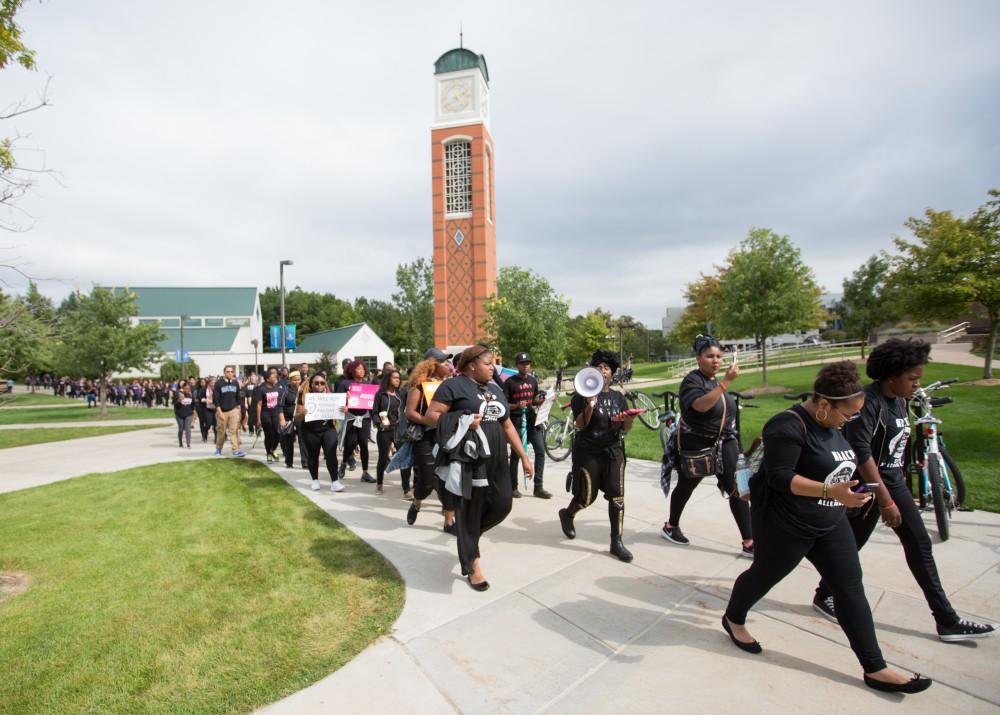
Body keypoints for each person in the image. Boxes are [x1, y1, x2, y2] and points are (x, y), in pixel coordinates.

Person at [723, 361, 931, 694]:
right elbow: (780, 476)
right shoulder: (786, 426)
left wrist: (855, 493)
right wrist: (829, 491)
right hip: (786, 524)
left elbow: (841, 464)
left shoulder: (835, 423)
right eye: (847, 415)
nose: (850, 421)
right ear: (823, 405)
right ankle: (733, 618)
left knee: (850, 589)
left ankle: (875, 668)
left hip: (830, 522)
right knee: (762, 576)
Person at [811, 339, 997, 641]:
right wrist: (885, 501)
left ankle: (945, 619)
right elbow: (861, 453)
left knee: (911, 545)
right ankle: (946, 620)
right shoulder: (868, 403)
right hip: (872, 487)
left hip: (893, 483)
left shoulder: (898, 399)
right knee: (862, 546)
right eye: (912, 378)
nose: (916, 384)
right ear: (890, 375)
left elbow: (896, 450)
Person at [427, 344, 533, 590]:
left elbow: (507, 426)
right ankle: (473, 565)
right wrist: (462, 420)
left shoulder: (494, 389)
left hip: (498, 459)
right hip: (470, 458)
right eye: (488, 363)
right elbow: (432, 415)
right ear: (472, 364)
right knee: (472, 509)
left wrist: (524, 457)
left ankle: (469, 536)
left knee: (503, 504)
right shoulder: (452, 386)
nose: (493, 368)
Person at [661, 335, 753, 556]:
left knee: (738, 489)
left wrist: (738, 449)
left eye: (719, 356)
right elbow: (701, 406)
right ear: (698, 358)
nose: (715, 361)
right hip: (698, 444)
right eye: (709, 356)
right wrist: (726, 383)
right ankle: (671, 526)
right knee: (686, 486)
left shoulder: (712, 381)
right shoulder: (693, 381)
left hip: (725, 443)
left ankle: (749, 542)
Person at [557, 349, 637, 563]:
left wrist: (627, 418)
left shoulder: (618, 397)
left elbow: (625, 428)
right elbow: (580, 425)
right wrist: (590, 405)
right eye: (599, 367)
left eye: (607, 368)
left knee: (617, 495)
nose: (603, 371)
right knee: (586, 498)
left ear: (612, 373)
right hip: (588, 452)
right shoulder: (580, 396)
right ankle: (568, 514)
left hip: (613, 451)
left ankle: (616, 541)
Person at [405, 349, 456, 530]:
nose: (448, 365)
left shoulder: (451, 385)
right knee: (427, 480)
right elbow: (409, 412)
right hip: (425, 437)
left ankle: (449, 522)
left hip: (446, 436)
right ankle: (417, 503)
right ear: (432, 365)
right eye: (444, 362)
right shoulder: (420, 385)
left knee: (449, 478)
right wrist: (428, 420)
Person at [503, 352, 551, 499]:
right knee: (517, 455)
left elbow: (533, 401)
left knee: (540, 451)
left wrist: (544, 401)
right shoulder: (510, 382)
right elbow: (504, 404)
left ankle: (538, 487)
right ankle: (513, 487)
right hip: (516, 422)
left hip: (531, 420)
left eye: (527, 363)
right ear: (517, 365)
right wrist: (517, 405)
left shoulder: (532, 381)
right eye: (522, 363)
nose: (525, 365)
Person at [294, 372, 344, 492]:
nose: (319, 386)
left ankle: (335, 481)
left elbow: (339, 411)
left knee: (331, 453)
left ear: (325, 384)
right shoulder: (304, 396)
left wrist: (344, 409)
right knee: (313, 456)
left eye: (322, 383)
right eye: (316, 383)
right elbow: (296, 417)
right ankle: (315, 480)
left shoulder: (331, 396)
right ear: (311, 385)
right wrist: (302, 414)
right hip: (311, 430)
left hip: (328, 429)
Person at [373, 368, 410, 496]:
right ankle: (379, 484)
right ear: (388, 379)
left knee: (403, 457)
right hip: (385, 430)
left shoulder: (402, 394)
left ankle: (406, 488)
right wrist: (379, 423)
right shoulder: (380, 394)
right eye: (395, 378)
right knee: (383, 457)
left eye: (399, 378)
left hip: (399, 430)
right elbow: (374, 412)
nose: (397, 380)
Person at [336, 360, 375, 483]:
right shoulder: (345, 384)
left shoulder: (368, 385)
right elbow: (337, 400)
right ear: (352, 370)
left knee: (364, 443)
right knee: (351, 443)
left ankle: (365, 472)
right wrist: (345, 402)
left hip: (365, 418)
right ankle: (343, 464)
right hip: (351, 417)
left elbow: (372, 401)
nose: (362, 371)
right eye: (359, 368)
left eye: (363, 368)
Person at [213, 366, 246, 457]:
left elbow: (238, 397)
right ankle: (218, 449)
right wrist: (219, 412)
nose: (230, 373)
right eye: (228, 371)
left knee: (234, 431)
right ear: (224, 372)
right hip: (222, 411)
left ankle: (236, 450)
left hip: (233, 410)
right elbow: (216, 399)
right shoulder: (218, 383)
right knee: (221, 432)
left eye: (232, 371)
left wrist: (238, 409)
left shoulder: (235, 383)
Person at [257, 368, 283, 463]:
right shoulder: (262, 389)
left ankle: (272, 450)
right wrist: (259, 419)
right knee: (269, 435)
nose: (275, 377)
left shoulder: (276, 388)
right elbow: (259, 405)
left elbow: (279, 403)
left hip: (275, 414)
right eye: (272, 376)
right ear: (267, 379)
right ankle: (268, 454)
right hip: (265, 414)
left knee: (278, 434)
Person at [278, 371, 301, 468]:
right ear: (290, 380)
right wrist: (282, 419)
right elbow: (280, 406)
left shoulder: (303, 390)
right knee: (288, 441)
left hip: (300, 418)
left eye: (298, 380)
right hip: (288, 419)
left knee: (303, 440)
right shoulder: (285, 391)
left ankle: (305, 462)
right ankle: (289, 462)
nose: (297, 382)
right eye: (295, 380)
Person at [173, 381, 195, 448]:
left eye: (188, 388)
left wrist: (193, 411)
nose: (187, 390)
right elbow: (175, 405)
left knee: (188, 429)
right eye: (186, 388)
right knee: (181, 429)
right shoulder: (178, 394)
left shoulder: (190, 395)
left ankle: (188, 444)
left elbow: (193, 404)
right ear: (183, 388)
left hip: (188, 414)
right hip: (179, 414)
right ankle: (180, 442)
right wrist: (179, 401)